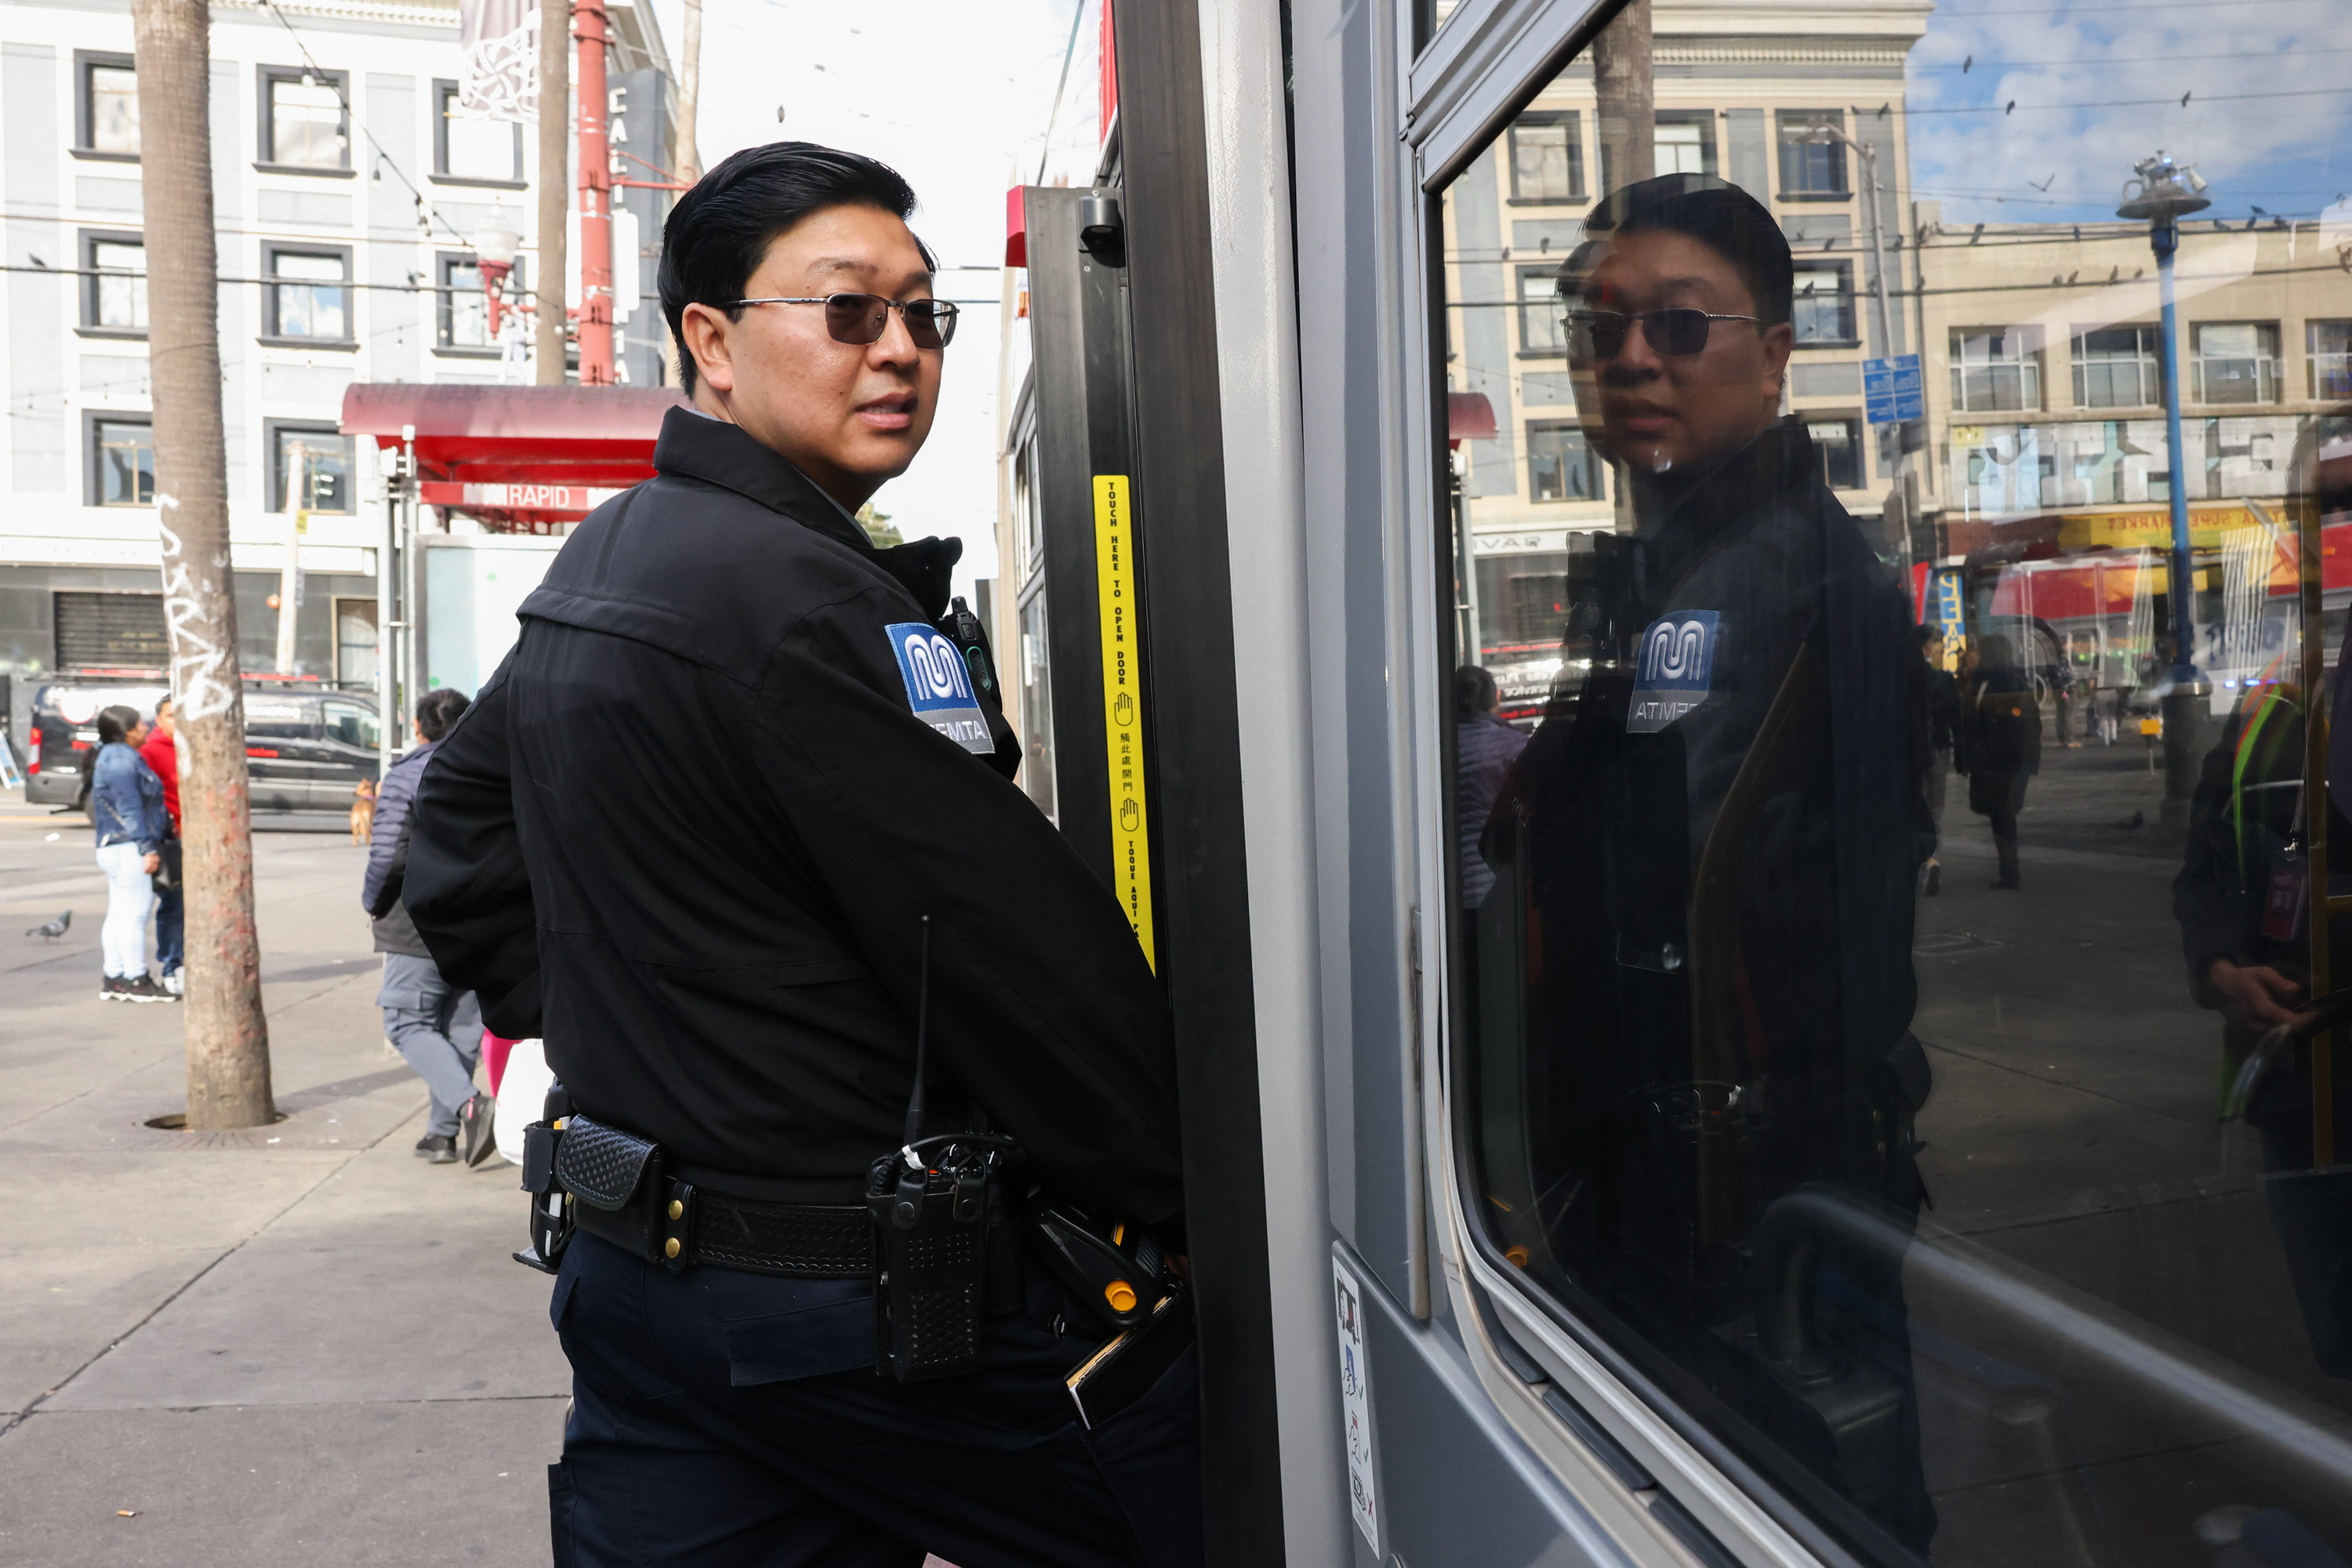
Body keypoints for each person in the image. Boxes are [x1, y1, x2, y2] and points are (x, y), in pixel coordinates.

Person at [403, 143, 1192, 1567]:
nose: (898, 351)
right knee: (1234, 1496)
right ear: (710, 339)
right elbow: (1015, 961)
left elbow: (450, 855)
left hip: (641, 1287)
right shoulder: (804, 604)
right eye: (847, 313)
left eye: (921, 314)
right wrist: (1181, 1198)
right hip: (856, 1317)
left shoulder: (611, 555)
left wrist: (666, 1031)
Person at [1474, 173, 1936, 1550]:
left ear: (1778, 353)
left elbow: (1661, 897)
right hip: (1702, 1189)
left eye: (1679, 329)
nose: (1629, 362)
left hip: (1732, 1203)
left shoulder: (1761, 578)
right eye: (1599, 330)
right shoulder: (1683, 563)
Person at [364, 688, 492, 1167]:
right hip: (480, 921)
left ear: (418, 728)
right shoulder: (491, 773)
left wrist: (373, 903)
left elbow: (388, 856)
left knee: (408, 1022)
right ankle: (442, 1136)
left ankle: (470, 1105)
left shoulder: (405, 777)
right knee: (460, 1028)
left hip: (416, 922)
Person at [89, 705, 172, 1003]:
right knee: (135, 915)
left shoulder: (110, 757)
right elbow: (131, 809)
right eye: (140, 725)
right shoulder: (123, 760)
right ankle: (137, 978)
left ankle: (115, 976)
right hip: (129, 846)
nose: (146, 729)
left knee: (119, 914)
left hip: (114, 845)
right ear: (127, 732)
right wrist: (147, 848)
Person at [1961, 632, 2041, 890]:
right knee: (2004, 812)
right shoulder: (2018, 680)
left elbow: (1974, 722)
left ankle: (2009, 870)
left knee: (2000, 813)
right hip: (2016, 760)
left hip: (1995, 760)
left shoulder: (1986, 684)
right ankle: (2009, 868)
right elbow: (2032, 722)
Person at [1454, 664, 1527, 912]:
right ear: (1496, 698)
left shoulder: (1435, 749)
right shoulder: (1515, 746)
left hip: (1446, 888)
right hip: (1501, 884)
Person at [138, 697, 185, 996]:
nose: (178, 722)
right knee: (173, 903)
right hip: (170, 839)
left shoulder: (195, 744)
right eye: (171, 716)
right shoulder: (150, 751)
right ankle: (171, 965)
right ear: (159, 719)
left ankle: (182, 962)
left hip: (198, 837)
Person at [1911, 626, 1959, 895]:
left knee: (1916, 806)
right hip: (1940, 749)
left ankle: (1924, 863)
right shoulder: (1943, 679)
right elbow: (1957, 719)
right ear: (1928, 646)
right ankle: (1931, 859)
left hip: (1915, 751)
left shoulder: (1906, 676)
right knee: (1935, 808)